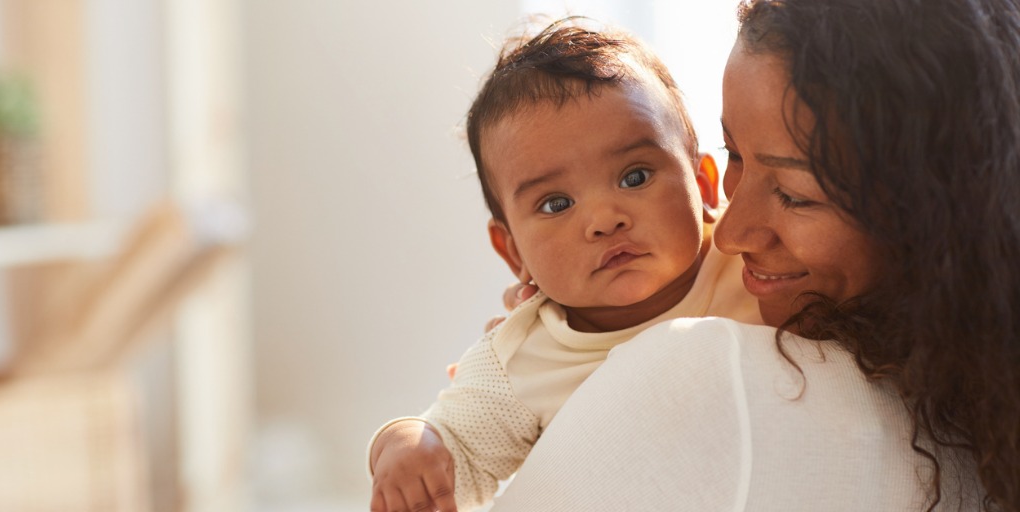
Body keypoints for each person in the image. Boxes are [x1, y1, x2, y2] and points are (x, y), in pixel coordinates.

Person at [487, 0, 1020, 510]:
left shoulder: (698, 370)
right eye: (734, 154)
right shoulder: (980, 409)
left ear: (938, 216)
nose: (727, 233)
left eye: (795, 193)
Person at [367, 18, 761, 512]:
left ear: (703, 186)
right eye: (556, 204)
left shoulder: (752, 258)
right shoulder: (522, 354)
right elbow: (459, 454)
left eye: (635, 176)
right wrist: (404, 443)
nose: (604, 219)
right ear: (513, 252)